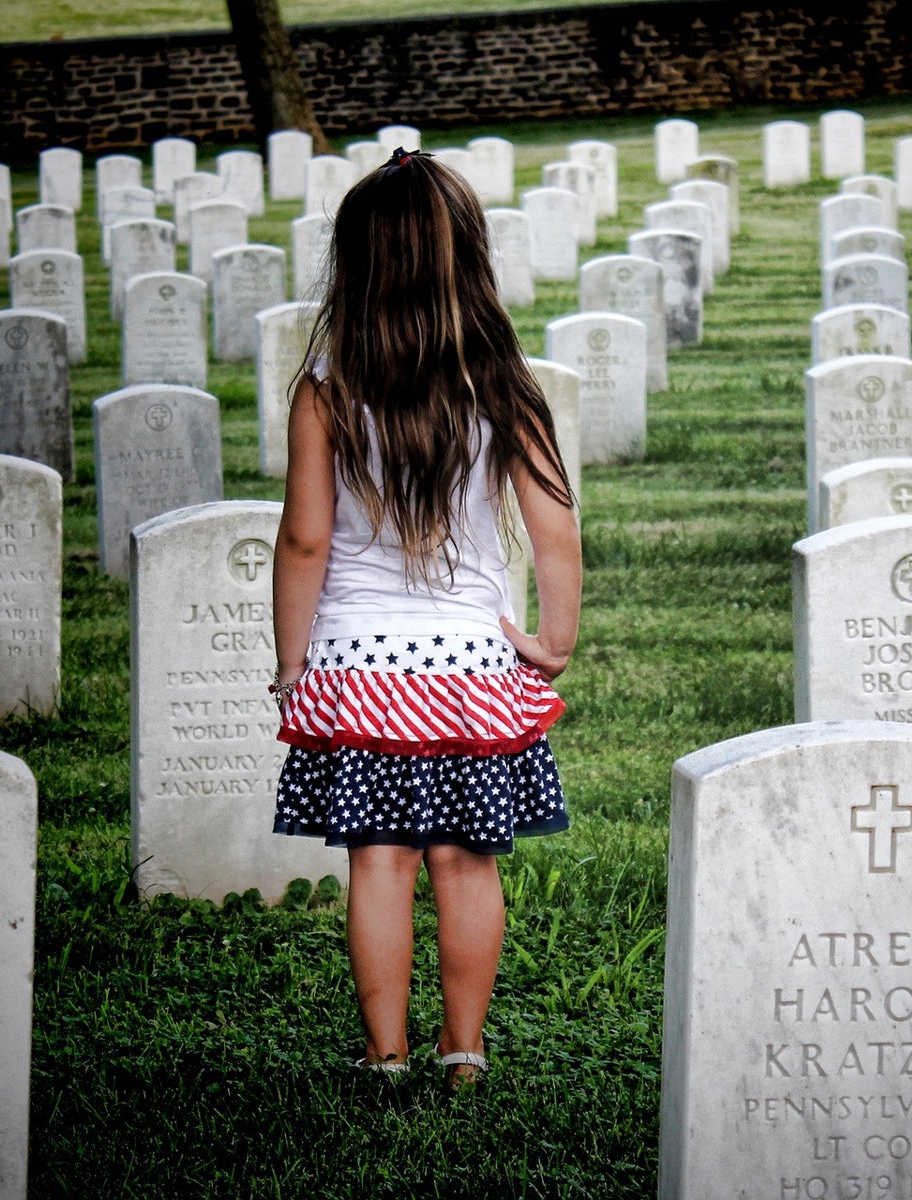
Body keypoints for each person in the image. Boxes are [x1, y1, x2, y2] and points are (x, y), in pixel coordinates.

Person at [268, 147, 582, 1091]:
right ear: (469, 259)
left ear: (356, 264)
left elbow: (305, 543)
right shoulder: (503, 383)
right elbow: (554, 528)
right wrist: (554, 641)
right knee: (465, 860)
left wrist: (294, 665)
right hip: (475, 671)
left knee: (380, 861)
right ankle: (465, 1052)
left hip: (360, 670)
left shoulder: (327, 388)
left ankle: (384, 1053)